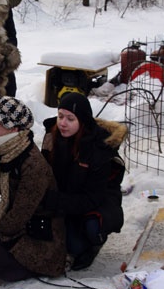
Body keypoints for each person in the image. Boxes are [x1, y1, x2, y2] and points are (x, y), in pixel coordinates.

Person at [0, 96, 66, 282]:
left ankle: (32, 266)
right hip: (14, 221)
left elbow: (20, 215)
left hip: (38, 233)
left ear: (13, 129)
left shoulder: (33, 164)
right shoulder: (2, 149)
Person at [41, 92, 126, 271]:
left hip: (94, 203)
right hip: (65, 199)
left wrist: (56, 201)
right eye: (60, 116)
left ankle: (94, 243)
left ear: (82, 121)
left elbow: (92, 198)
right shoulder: (52, 135)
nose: (63, 123)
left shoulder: (98, 148)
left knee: (78, 244)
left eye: (70, 119)